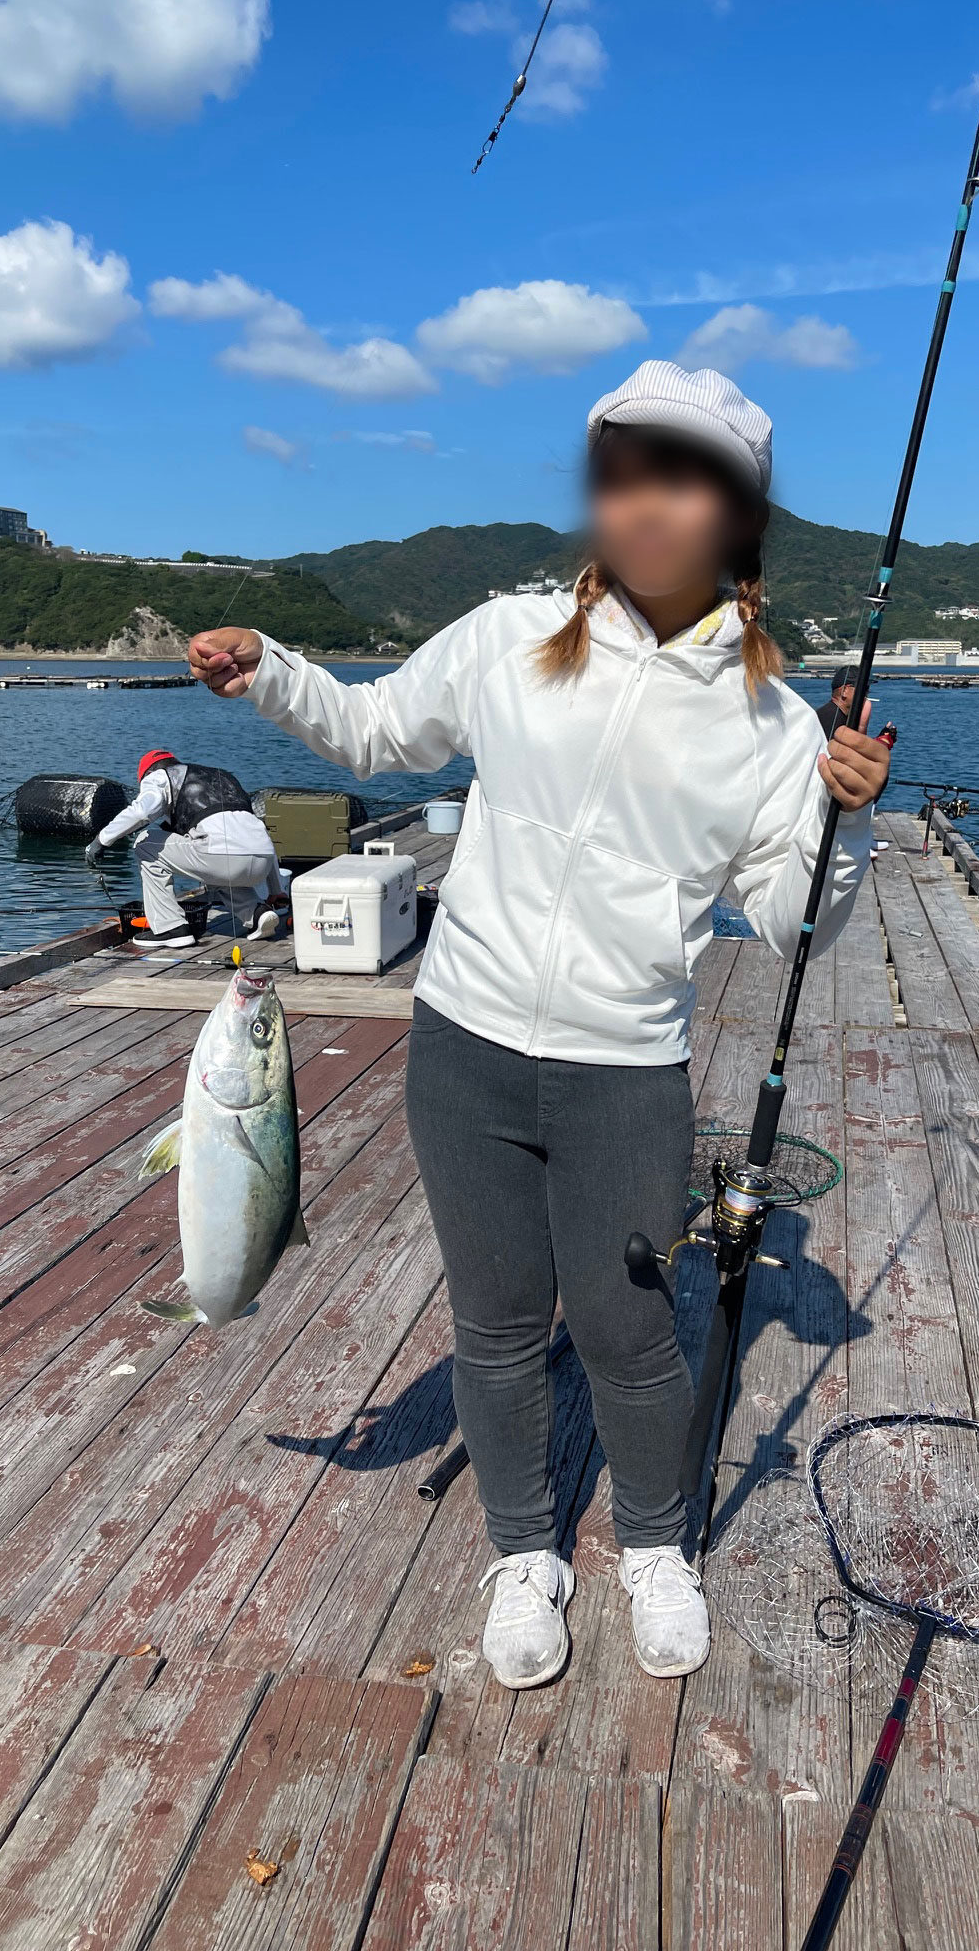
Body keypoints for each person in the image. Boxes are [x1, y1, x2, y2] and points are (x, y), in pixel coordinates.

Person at [186, 360, 890, 1688]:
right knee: (498, 1328)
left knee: (628, 1337)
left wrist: (845, 827)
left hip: (627, 1071)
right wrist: (270, 670)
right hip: (465, 1048)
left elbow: (791, 921)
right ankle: (525, 1551)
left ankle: (658, 1545)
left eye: (680, 481)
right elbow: (378, 728)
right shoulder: (507, 636)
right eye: (622, 475)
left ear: (736, 516)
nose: (645, 506)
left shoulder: (770, 721)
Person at [87, 749, 287, 950]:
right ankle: (257, 913)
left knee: (145, 843)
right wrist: (276, 889)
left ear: (148, 774)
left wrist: (102, 840)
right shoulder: (224, 778)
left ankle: (170, 928)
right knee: (217, 865)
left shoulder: (161, 776)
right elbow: (259, 837)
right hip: (262, 861)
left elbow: (142, 811)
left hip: (221, 857)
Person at [816, 665, 858, 738]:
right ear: (844, 690)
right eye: (864, 689)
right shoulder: (829, 718)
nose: (866, 694)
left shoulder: (830, 712)